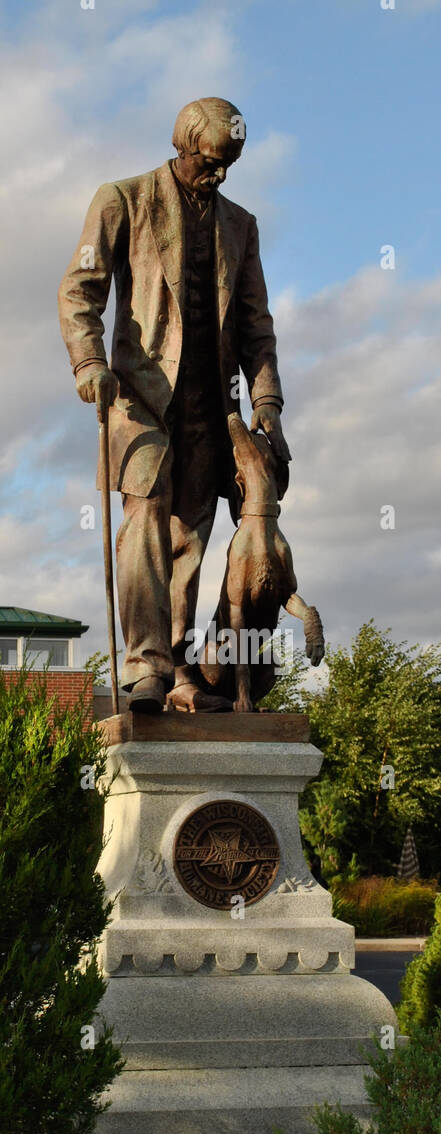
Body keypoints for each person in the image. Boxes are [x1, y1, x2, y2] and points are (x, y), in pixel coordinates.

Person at [58, 97, 290, 712]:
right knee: (146, 519)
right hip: (138, 396)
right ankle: (144, 666)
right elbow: (82, 288)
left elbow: (254, 324)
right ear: (182, 145)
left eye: (229, 166)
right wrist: (89, 362)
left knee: (189, 536)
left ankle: (179, 666)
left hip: (210, 406)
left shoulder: (241, 225)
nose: (219, 176)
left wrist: (266, 402)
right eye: (210, 163)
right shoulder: (123, 199)